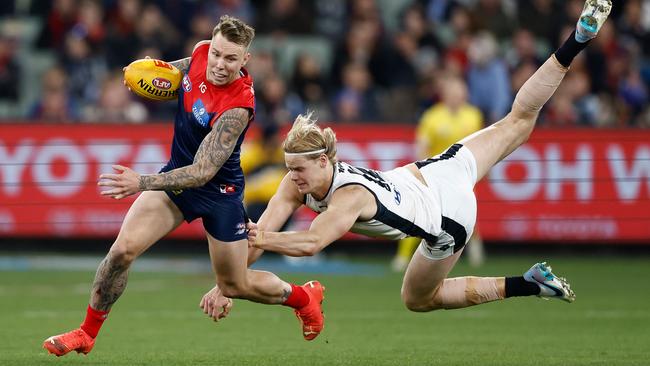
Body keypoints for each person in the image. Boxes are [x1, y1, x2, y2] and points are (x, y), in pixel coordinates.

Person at [245, 1, 611, 313]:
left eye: (298, 168)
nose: (291, 176)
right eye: (289, 168)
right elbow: (266, 229)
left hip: (448, 213)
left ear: (324, 161)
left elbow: (309, 243)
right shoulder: (298, 180)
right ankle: (576, 40)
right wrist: (229, 283)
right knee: (519, 121)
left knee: (417, 299)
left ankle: (527, 284)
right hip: (440, 169)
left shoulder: (349, 196)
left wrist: (260, 240)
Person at [43, 15, 325, 357]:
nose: (220, 64)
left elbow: (203, 171)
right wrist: (146, 74)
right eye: (218, 54)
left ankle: (303, 297)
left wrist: (141, 182)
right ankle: (87, 334)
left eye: (231, 59)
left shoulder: (238, 107)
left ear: (245, 60)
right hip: (176, 181)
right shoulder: (202, 53)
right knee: (121, 251)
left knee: (233, 285)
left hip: (219, 194)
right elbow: (177, 78)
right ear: (211, 46)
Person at [391, 75, 484, 272]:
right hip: (436, 176)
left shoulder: (473, 115)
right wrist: (422, 172)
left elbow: (480, 144)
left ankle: (475, 251)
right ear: (445, 95)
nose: (457, 96)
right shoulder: (432, 117)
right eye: (453, 93)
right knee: (421, 215)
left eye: (460, 92)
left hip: (462, 175)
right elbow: (422, 146)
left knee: (467, 211)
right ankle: (402, 257)